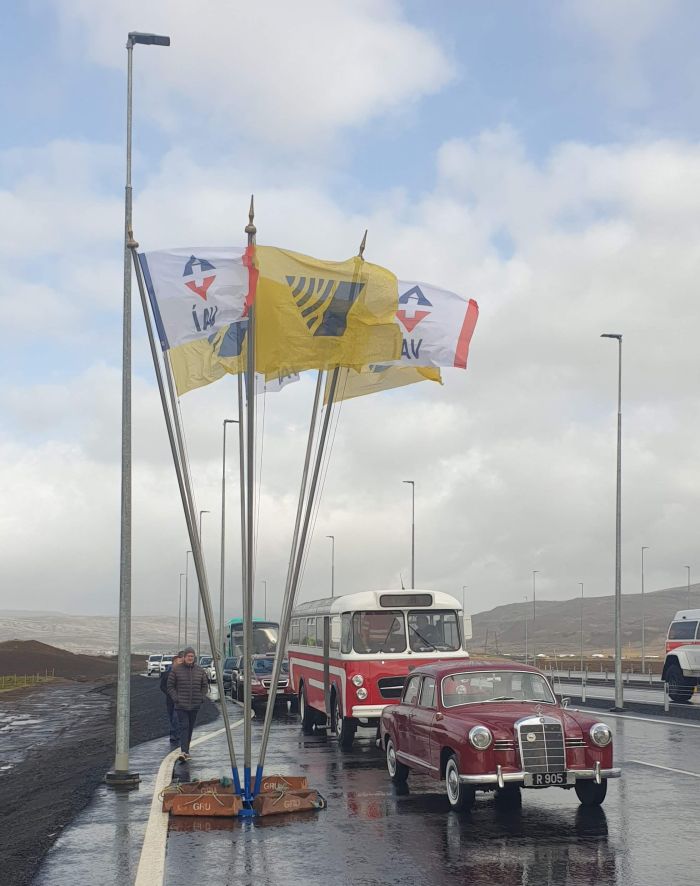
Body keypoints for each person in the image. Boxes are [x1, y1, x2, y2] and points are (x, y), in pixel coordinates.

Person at [167, 646, 209, 761]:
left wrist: (201, 697)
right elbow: (170, 686)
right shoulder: (176, 670)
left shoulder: (199, 670)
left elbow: (205, 685)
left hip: (195, 704)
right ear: (184, 657)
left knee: (190, 728)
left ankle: (186, 750)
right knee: (184, 726)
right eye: (188, 656)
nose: (190, 658)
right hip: (181, 705)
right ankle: (184, 752)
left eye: (192, 656)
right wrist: (176, 698)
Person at [160, 651, 183, 746]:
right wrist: (169, 693)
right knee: (171, 717)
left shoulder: (183, 673)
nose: (179, 664)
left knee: (176, 717)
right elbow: (162, 686)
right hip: (170, 699)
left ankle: (174, 735)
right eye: (178, 662)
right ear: (174, 663)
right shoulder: (167, 674)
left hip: (180, 700)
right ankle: (176, 733)